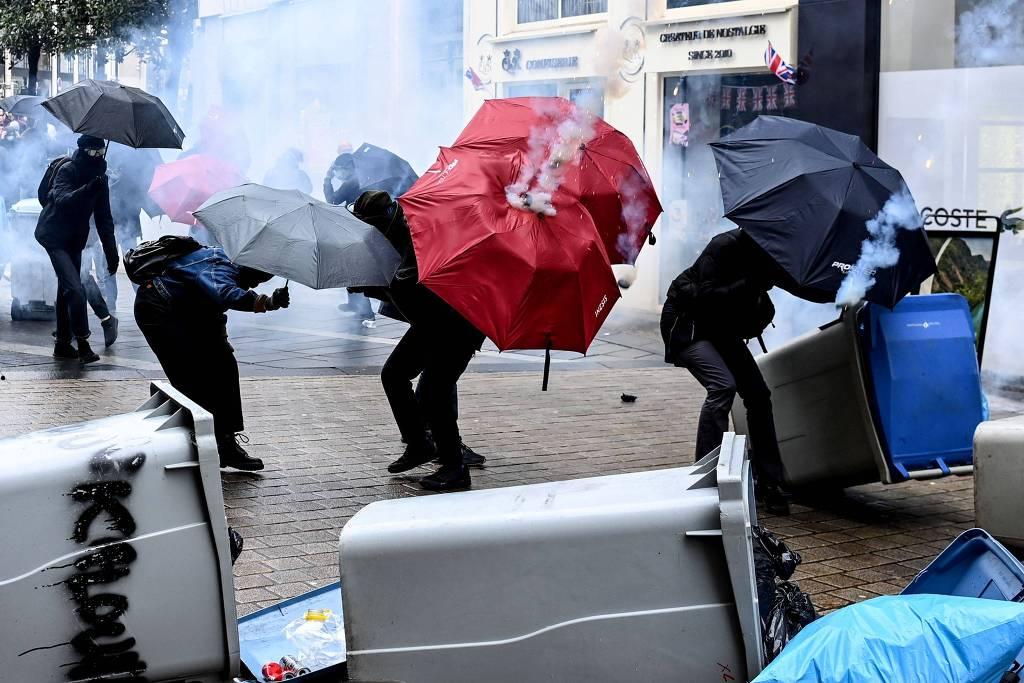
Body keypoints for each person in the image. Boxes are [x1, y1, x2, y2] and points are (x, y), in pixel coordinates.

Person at [352, 190, 484, 492]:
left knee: (434, 391)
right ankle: (419, 445)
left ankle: (454, 468)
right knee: (394, 375)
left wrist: (375, 281)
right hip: (432, 323)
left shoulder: (418, 238)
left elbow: (411, 290)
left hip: (458, 324)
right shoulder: (387, 239)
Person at [661, 228, 790, 515]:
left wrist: (759, 300)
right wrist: (749, 285)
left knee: (758, 394)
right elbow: (703, 297)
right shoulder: (724, 245)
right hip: (688, 323)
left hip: (720, 328)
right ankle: (706, 477)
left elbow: (748, 308)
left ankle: (770, 481)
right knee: (722, 386)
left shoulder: (772, 257)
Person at [134, 244, 290, 471]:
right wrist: (267, 302)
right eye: (254, 280)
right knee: (190, 376)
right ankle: (191, 441)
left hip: (189, 310)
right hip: (160, 309)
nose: (253, 286)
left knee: (224, 363)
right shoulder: (220, 266)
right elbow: (226, 293)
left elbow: (214, 307)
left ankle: (225, 442)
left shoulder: (230, 260)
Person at [34, 134, 118, 364]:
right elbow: (62, 200)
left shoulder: (101, 178)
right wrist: (90, 188)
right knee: (76, 290)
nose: (98, 156)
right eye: (93, 152)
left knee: (66, 290)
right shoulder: (68, 170)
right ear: (83, 151)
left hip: (75, 239)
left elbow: (104, 219)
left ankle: (62, 344)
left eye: (101, 152)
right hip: (53, 236)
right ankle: (82, 342)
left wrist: (112, 253)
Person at [323, 153, 373, 319]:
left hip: (356, 228)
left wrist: (327, 180)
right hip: (365, 226)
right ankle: (355, 303)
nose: (339, 173)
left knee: (353, 268)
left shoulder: (351, 183)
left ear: (348, 168)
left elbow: (332, 200)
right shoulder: (365, 177)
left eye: (340, 169)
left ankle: (364, 309)